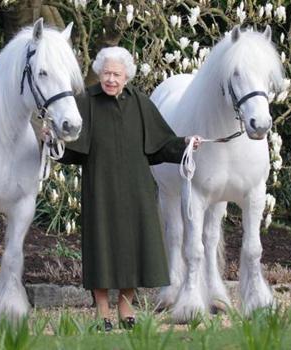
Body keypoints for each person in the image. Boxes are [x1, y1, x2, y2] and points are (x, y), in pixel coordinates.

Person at [49, 46, 201, 331]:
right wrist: (53, 141)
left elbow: (161, 144)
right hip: (100, 189)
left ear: (127, 76)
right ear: (99, 73)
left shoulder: (141, 103)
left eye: (116, 74)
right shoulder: (86, 102)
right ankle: (103, 311)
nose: (110, 79)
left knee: (135, 247)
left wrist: (186, 144)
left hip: (136, 190)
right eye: (106, 73)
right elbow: (72, 151)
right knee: (101, 248)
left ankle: (126, 307)